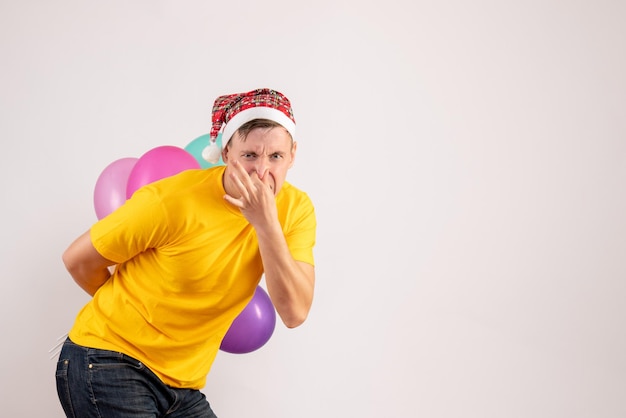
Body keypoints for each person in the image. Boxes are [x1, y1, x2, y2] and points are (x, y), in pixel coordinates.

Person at [55, 88, 316, 418]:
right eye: (250, 155)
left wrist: (266, 225)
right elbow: (77, 259)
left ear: (293, 155)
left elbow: (295, 313)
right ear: (226, 151)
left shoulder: (297, 210)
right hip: (108, 360)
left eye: (275, 157)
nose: (261, 171)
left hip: (181, 382)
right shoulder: (171, 200)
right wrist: (134, 314)